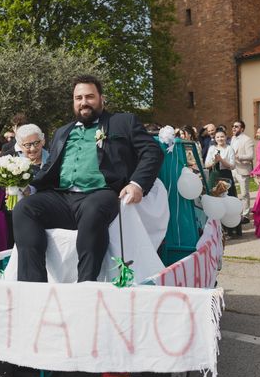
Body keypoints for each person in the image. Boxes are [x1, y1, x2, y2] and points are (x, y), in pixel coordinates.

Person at [13, 74, 163, 283]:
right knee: (25, 208)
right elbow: (49, 168)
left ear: (102, 98)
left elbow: (152, 152)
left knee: (93, 209)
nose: (84, 102)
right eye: (78, 98)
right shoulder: (62, 131)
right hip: (62, 197)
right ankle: (33, 286)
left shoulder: (123, 122)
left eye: (90, 96)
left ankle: (86, 284)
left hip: (102, 194)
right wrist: (23, 181)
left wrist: (136, 184)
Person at [205, 129, 241, 238]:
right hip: (214, 175)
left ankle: (231, 230)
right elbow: (206, 164)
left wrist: (221, 160)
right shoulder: (212, 148)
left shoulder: (229, 148)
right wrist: (214, 161)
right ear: (215, 139)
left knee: (228, 201)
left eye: (222, 137)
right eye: (218, 137)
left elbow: (232, 165)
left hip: (226, 176)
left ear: (226, 137)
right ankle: (216, 230)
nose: (220, 139)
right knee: (214, 201)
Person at [230, 120, 255, 221]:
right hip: (232, 169)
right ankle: (235, 212)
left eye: (236, 126)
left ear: (242, 129)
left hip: (243, 169)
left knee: (244, 194)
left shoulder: (247, 140)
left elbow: (251, 156)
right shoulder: (232, 138)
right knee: (232, 192)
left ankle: (245, 215)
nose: (233, 128)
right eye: (233, 126)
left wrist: (238, 156)